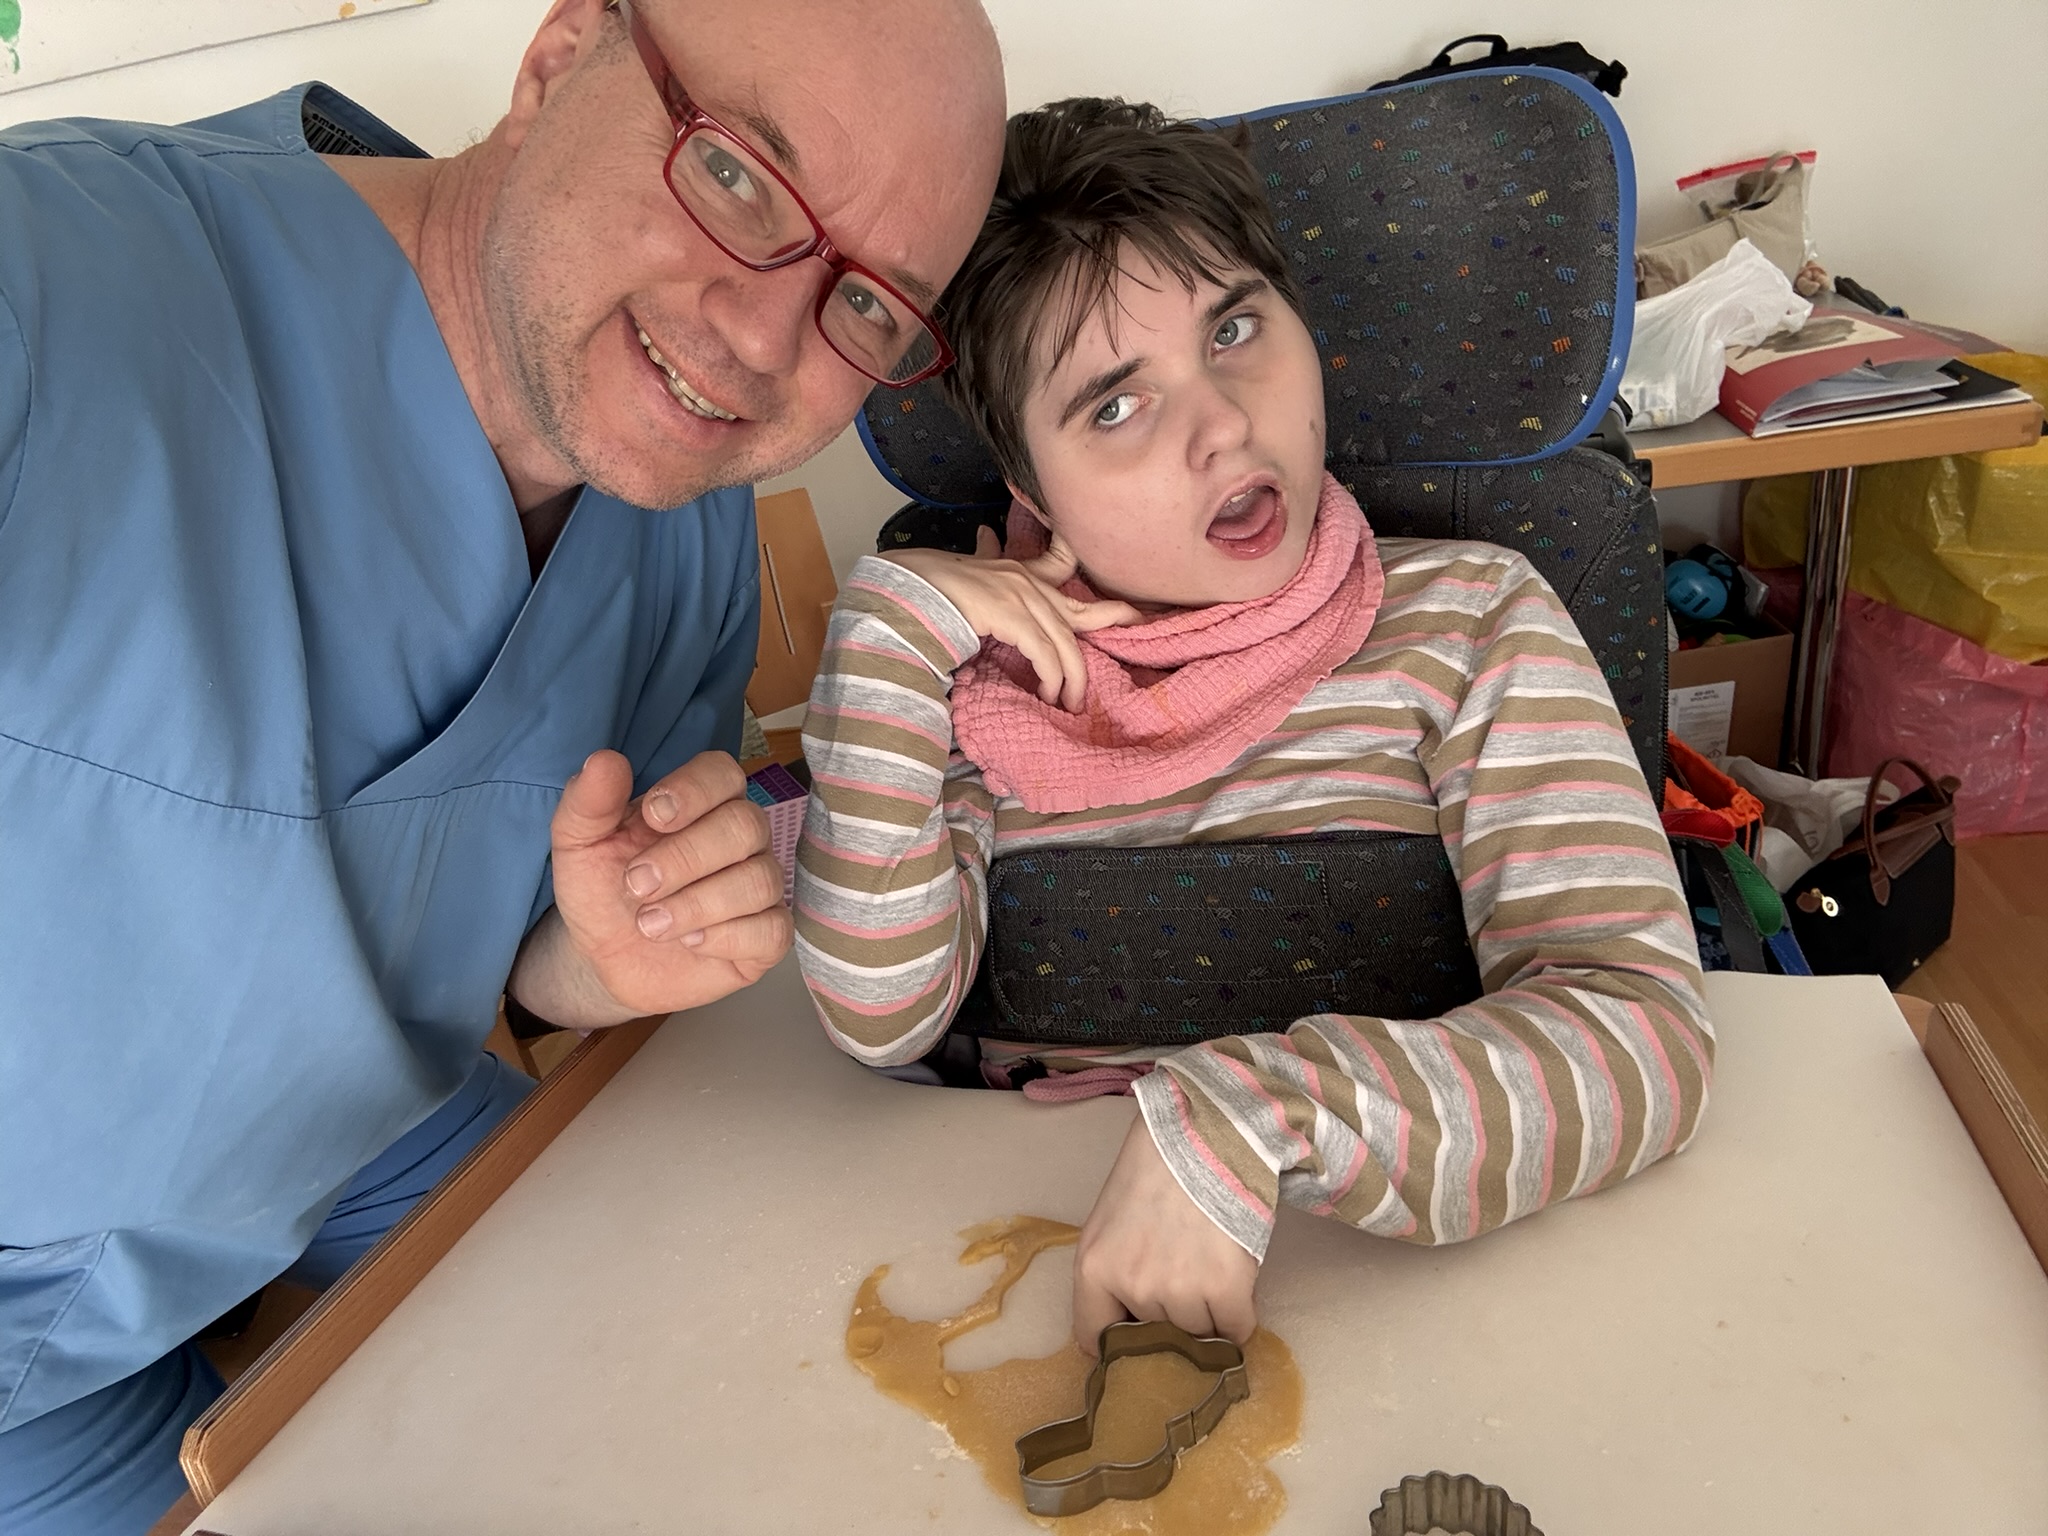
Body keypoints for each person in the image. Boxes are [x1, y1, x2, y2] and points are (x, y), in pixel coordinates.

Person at [0, 0, 1004, 1529]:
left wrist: (591, 965)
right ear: (557, 62)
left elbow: (520, 961)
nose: (760, 339)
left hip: (346, 1134)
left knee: (742, 1357)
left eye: (868, 304)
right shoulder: (47, 287)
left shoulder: (683, 541)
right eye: (737, 176)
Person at [794, 100, 1713, 1356]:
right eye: (1113, 406)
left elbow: (1641, 1041)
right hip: (997, 1283)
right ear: (1031, 490)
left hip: (1401, 1300)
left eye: (1233, 330)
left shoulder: (1472, 622)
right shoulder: (969, 690)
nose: (1222, 424)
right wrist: (887, 633)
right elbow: (880, 1017)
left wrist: (1253, 1114)